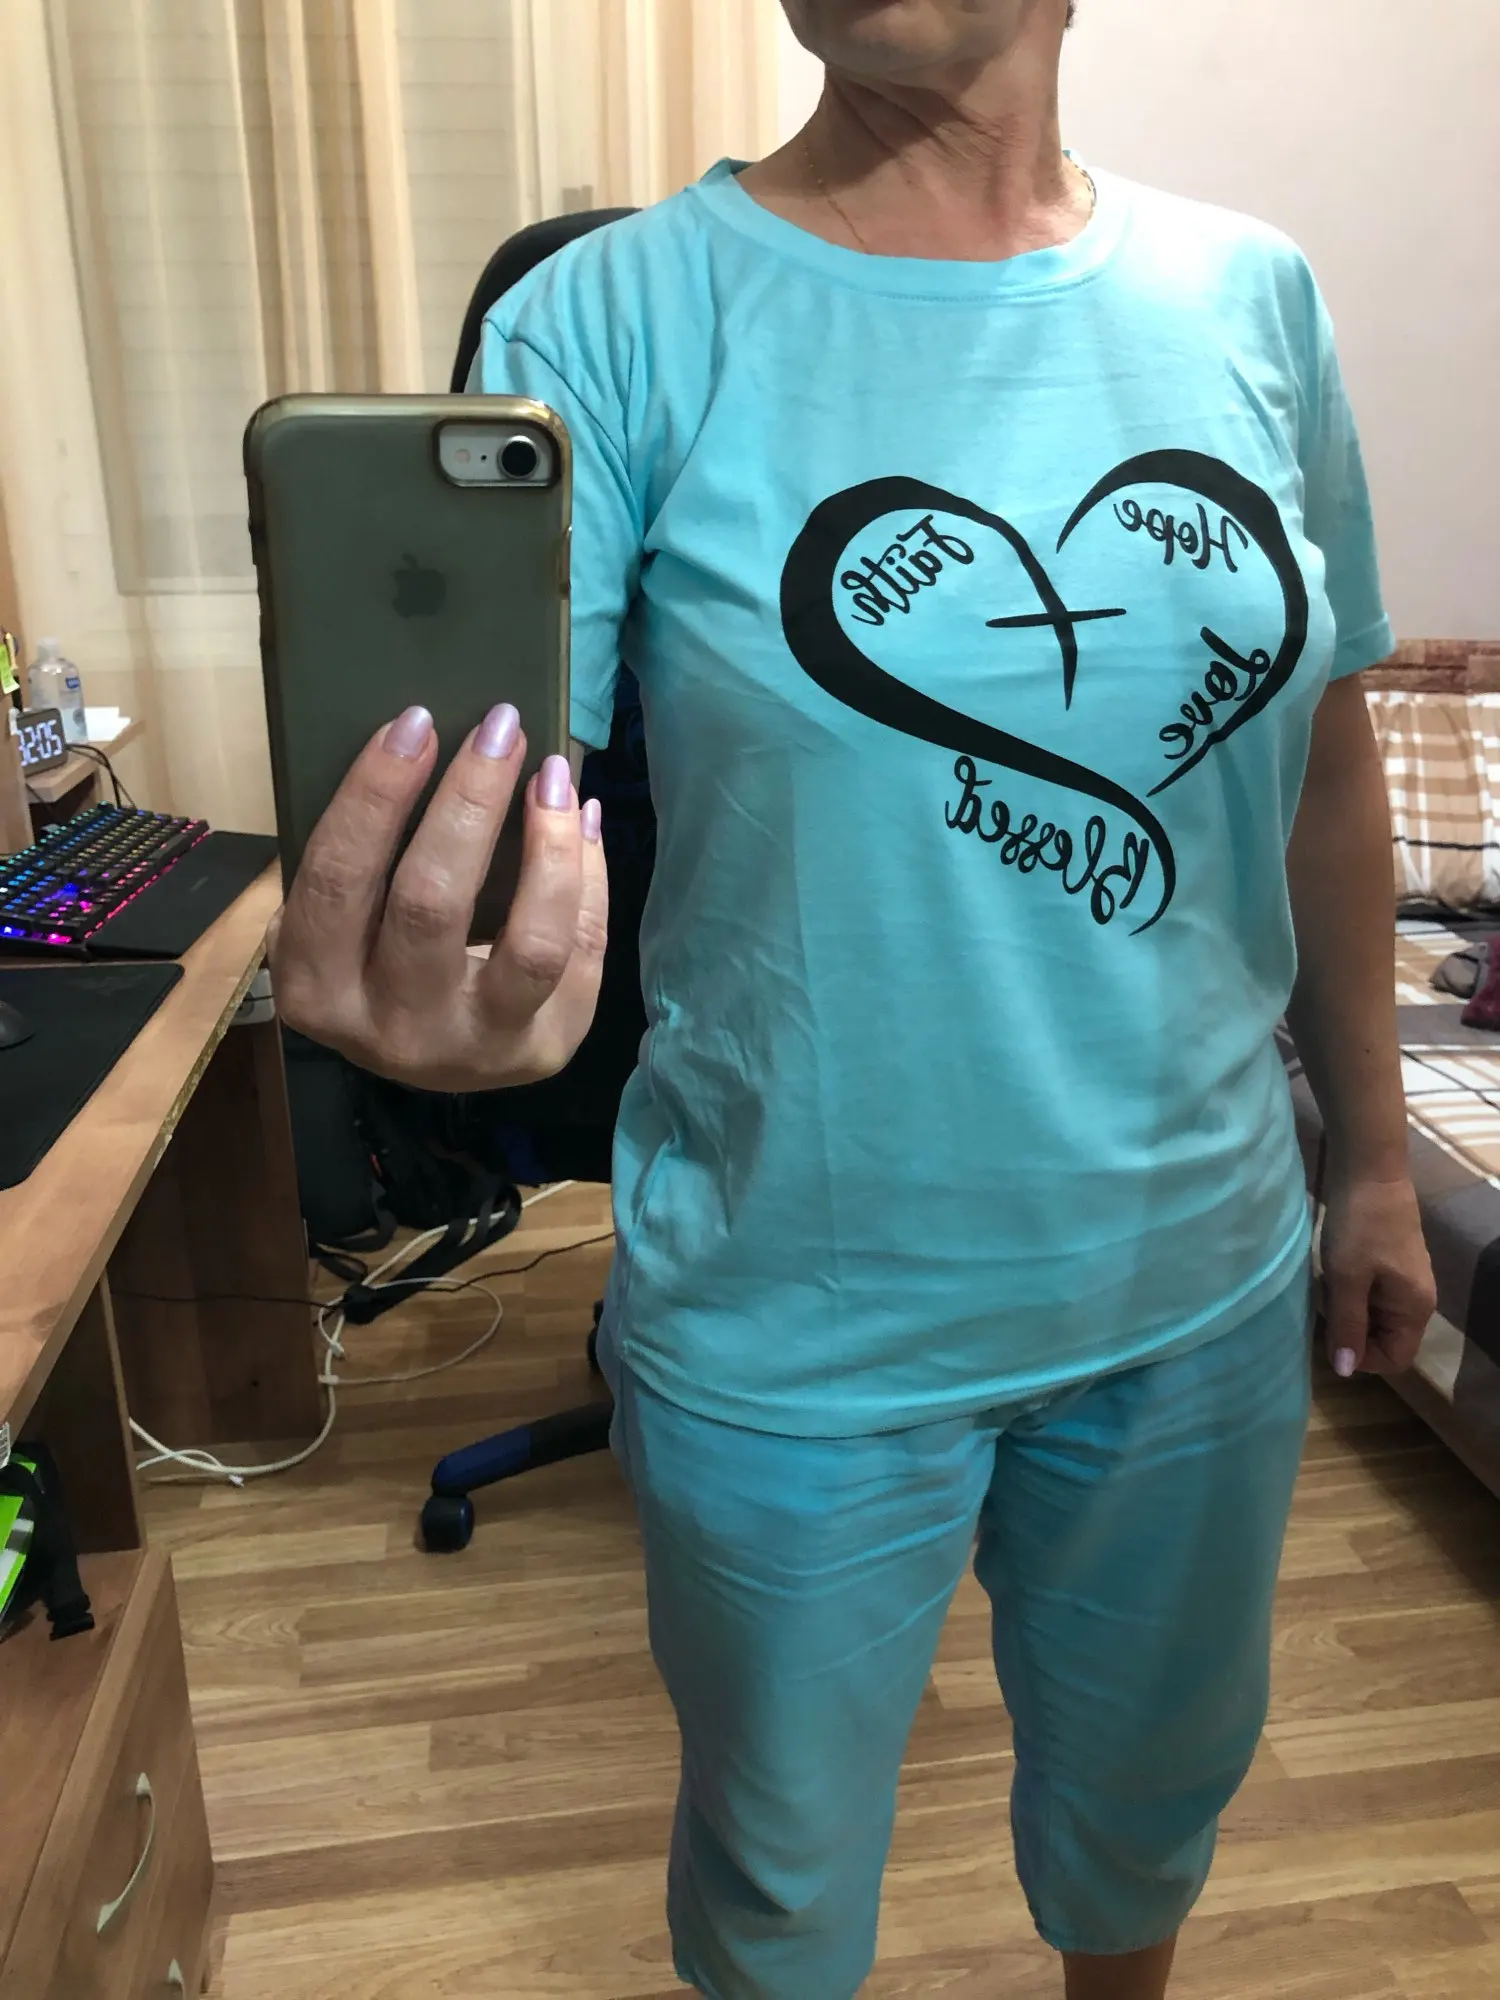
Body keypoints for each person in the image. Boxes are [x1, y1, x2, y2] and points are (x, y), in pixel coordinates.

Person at [269, 3, 1437, 1994]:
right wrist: (455, 1002)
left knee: (1151, 1808)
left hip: (1200, 1285)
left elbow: (1325, 772)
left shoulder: (1256, 293)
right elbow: (516, 809)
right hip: (794, 1320)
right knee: (781, 1881)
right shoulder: (608, 323)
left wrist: (1380, 1167)